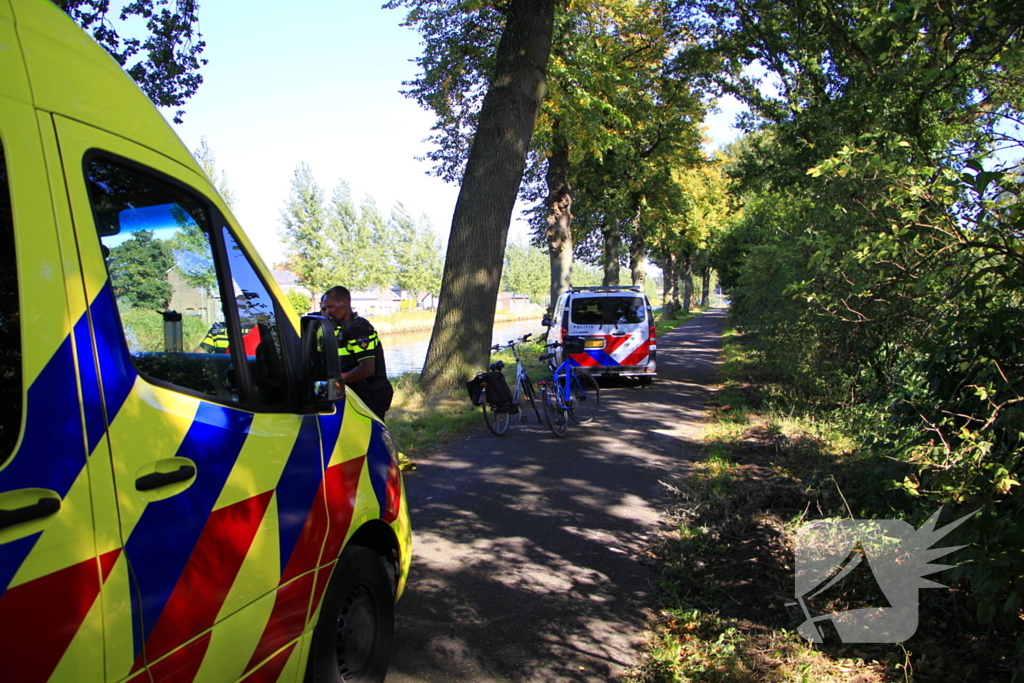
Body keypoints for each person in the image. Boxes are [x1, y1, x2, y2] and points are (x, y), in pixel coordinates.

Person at [320, 286, 394, 421]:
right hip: (356, 392)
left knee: (369, 430)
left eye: (330, 307)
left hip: (371, 393)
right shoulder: (339, 326)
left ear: (344, 302)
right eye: (324, 308)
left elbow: (367, 369)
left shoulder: (359, 329)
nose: (327, 311)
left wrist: (335, 381)